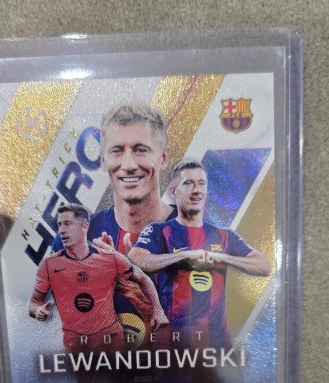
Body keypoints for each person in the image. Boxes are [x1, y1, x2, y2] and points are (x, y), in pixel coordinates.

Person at [51, 103, 178, 343]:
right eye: (117, 151)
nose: (129, 165)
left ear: (163, 157)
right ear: (103, 159)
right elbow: (71, 344)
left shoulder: (199, 237)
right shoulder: (72, 242)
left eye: (141, 150)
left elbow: (208, 340)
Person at [127, 158, 271, 349]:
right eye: (188, 183)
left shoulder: (223, 235)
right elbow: (136, 259)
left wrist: (222, 258)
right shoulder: (159, 231)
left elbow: (263, 267)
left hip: (217, 345)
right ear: (174, 191)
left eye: (201, 184)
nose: (196, 190)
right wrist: (183, 256)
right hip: (173, 343)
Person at [29, 204, 168, 354]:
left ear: (84, 228)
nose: (63, 230)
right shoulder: (50, 266)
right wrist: (37, 311)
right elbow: (35, 303)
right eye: (60, 225)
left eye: (68, 224)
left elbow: (142, 279)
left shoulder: (107, 259)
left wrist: (157, 310)